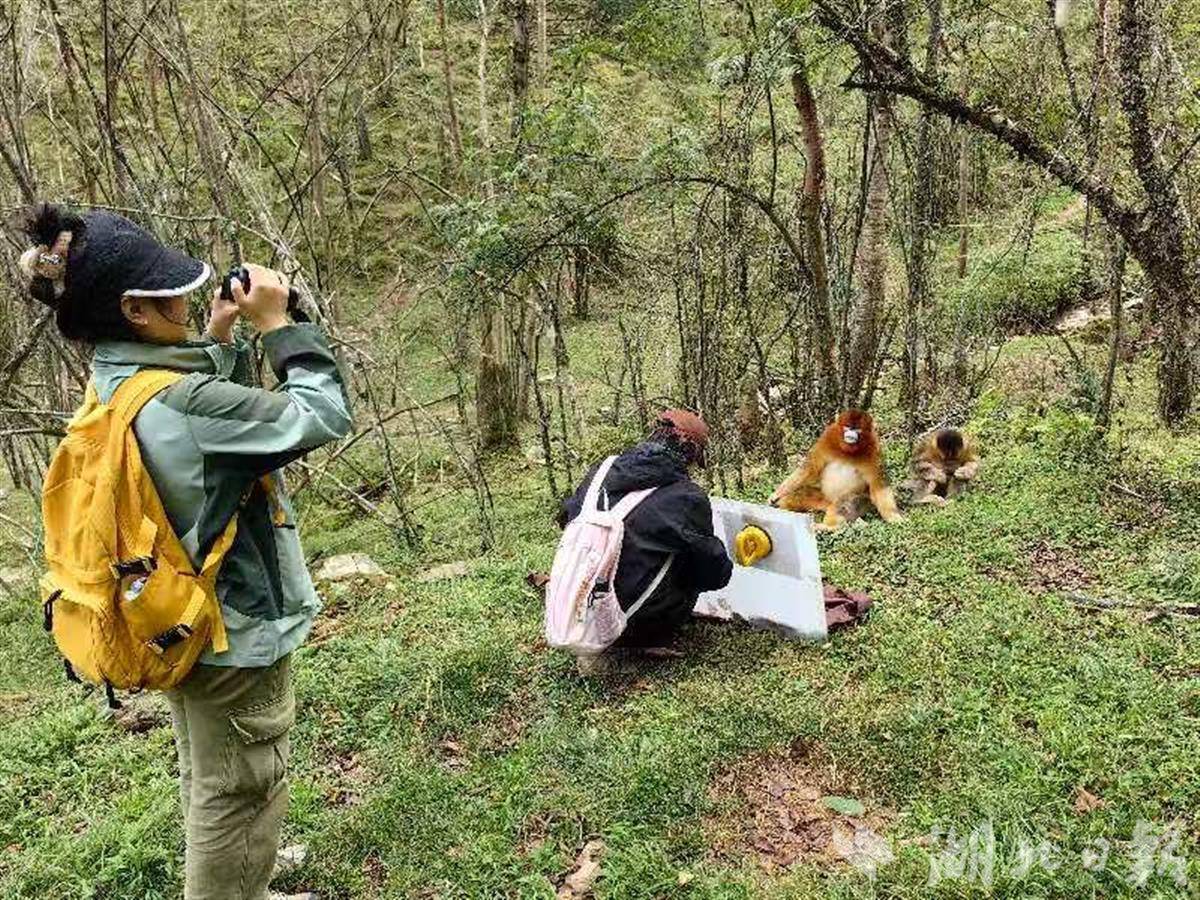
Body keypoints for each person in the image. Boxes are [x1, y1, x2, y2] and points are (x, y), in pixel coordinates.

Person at [18, 203, 351, 900]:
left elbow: (197, 420)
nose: (186, 298)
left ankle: (243, 878)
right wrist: (279, 327)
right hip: (231, 626)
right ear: (135, 310)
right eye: (169, 292)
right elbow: (320, 414)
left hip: (173, 615)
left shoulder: (114, 381)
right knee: (241, 785)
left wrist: (219, 336)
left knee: (213, 771)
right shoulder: (186, 405)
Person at [558, 410, 733, 661]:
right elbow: (714, 573)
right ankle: (643, 633)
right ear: (690, 452)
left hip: (578, 611)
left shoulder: (600, 472)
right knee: (691, 557)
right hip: (634, 626)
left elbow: (566, 516)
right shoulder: (686, 497)